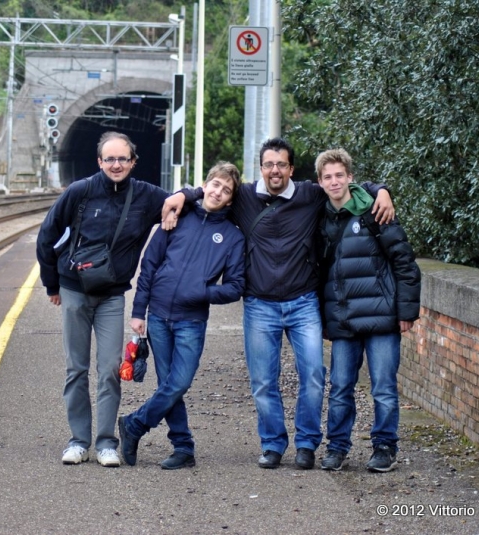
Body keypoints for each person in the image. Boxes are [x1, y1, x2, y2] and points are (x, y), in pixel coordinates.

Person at [162, 138, 395, 470]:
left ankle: (306, 444)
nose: (275, 170)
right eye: (269, 164)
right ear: (261, 168)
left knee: (313, 374)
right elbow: (212, 188)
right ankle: (272, 444)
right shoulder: (243, 196)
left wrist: (382, 190)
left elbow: (345, 183)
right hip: (259, 304)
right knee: (263, 381)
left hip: (303, 303)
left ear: (291, 169)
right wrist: (181, 194)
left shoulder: (309, 194)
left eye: (281, 165)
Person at [36, 131, 172, 467]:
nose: (115, 164)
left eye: (122, 159)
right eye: (109, 159)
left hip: (112, 295)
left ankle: (106, 442)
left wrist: (183, 198)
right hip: (74, 289)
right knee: (76, 368)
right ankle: (78, 440)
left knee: (111, 368)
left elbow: (187, 199)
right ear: (99, 162)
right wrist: (52, 285)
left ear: (133, 162)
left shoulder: (146, 196)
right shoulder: (80, 191)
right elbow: (47, 234)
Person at [119, 162, 246, 470]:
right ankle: (183, 446)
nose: (218, 192)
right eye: (215, 184)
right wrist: (139, 312)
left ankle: (135, 424)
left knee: (178, 383)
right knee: (168, 383)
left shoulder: (232, 237)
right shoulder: (176, 217)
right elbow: (149, 265)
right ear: (205, 185)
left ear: (231, 199)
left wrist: (202, 292)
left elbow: (235, 286)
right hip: (159, 315)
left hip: (191, 320)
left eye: (226, 190)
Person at [314, 148, 421, 472]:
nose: (334, 182)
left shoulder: (376, 211)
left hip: (381, 317)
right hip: (343, 318)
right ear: (320, 182)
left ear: (350, 177)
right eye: (327, 177)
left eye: (339, 175)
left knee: (384, 387)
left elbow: (404, 262)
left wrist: (406, 312)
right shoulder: (318, 217)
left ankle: (385, 446)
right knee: (341, 387)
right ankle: (337, 447)